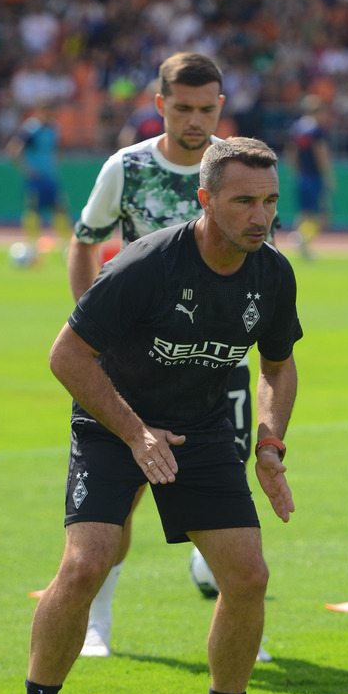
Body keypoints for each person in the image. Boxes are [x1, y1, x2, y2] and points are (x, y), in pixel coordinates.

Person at [7, 136, 302, 694]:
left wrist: (269, 443)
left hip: (201, 431)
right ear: (206, 200)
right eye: (244, 201)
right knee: (85, 566)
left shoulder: (274, 273)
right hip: (112, 425)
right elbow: (66, 356)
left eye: (270, 201)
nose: (261, 216)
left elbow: (278, 366)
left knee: (247, 577)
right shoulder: (147, 264)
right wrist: (137, 434)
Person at [67, 51, 271, 661]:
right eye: (182, 108)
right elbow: (85, 241)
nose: (195, 120)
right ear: (161, 105)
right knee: (124, 491)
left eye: (207, 108)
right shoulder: (127, 167)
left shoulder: (239, 168)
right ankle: (99, 619)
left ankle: (238, 609)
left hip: (220, 360)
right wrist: (94, 325)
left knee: (228, 484)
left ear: (221, 106)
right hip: (140, 366)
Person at [6, 102, 72, 253]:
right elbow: (13, 148)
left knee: (60, 208)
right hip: (36, 178)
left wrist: (55, 164)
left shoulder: (54, 128)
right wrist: (26, 169)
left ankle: (66, 244)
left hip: (50, 176)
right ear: (40, 111)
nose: (50, 114)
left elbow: (56, 149)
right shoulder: (31, 128)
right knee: (33, 210)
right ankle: (31, 244)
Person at [283, 94, 337, 259]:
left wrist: (296, 172)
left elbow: (291, 153)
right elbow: (321, 155)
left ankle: (301, 241)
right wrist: (328, 177)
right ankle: (300, 239)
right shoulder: (316, 130)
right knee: (322, 215)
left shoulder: (297, 128)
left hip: (302, 176)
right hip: (314, 177)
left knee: (305, 213)